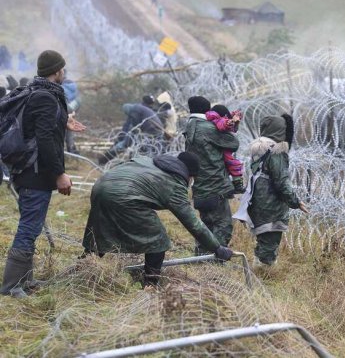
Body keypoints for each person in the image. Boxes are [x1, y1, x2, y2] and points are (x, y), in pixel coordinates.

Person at [0, 50, 86, 298]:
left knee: (32, 225)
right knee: (28, 227)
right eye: (63, 69)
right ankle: (12, 286)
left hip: (29, 171)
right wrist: (60, 174)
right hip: (35, 173)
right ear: (58, 71)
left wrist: (64, 121)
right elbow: (45, 140)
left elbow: (39, 127)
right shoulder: (46, 98)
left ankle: (24, 280)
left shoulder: (37, 92)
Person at [82, 152, 233, 287]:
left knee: (102, 229)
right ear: (189, 175)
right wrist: (217, 248)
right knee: (158, 240)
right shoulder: (175, 184)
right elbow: (193, 224)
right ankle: (151, 284)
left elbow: (125, 166)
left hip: (100, 187)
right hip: (124, 197)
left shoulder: (148, 161)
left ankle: (83, 267)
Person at [246, 114, 308, 267]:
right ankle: (264, 274)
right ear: (280, 130)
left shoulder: (258, 149)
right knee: (270, 241)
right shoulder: (276, 152)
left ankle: (259, 268)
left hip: (257, 199)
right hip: (271, 203)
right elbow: (281, 182)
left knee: (263, 238)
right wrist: (296, 201)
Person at [184, 96, 239, 254]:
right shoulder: (208, 128)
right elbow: (233, 144)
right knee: (223, 225)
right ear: (207, 110)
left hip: (199, 186)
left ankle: (201, 256)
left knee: (205, 224)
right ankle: (216, 259)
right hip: (216, 186)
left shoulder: (189, 126)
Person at [98, 96, 164, 164]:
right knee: (141, 146)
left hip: (151, 130)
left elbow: (134, 127)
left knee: (125, 145)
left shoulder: (135, 110)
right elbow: (131, 127)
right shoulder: (142, 109)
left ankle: (104, 160)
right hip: (157, 131)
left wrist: (123, 141)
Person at [205, 104, 245, 193]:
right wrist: (230, 122)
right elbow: (223, 125)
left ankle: (235, 184)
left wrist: (235, 120)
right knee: (234, 164)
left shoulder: (213, 120)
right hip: (223, 149)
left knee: (232, 165)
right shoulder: (219, 120)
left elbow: (232, 128)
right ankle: (237, 185)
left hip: (222, 147)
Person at [62, 72, 81, 154]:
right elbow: (79, 101)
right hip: (72, 109)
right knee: (70, 130)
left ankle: (62, 150)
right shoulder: (74, 87)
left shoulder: (60, 86)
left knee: (62, 131)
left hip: (64, 109)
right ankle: (71, 149)